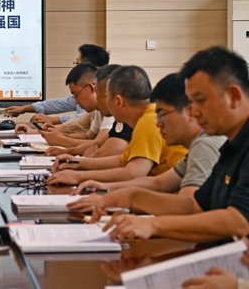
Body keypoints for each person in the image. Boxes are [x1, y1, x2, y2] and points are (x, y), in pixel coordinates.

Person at [93, 47, 249, 244]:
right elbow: (194, 205)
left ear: (233, 96)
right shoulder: (231, 145)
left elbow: (239, 221)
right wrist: (131, 197)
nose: (194, 112)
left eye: (200, 101)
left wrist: (153, 225)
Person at [68, 73, 226, 212]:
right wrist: (104, 188)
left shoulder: (205, 144)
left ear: (190, 111)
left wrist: (123, 199)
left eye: (162, 115)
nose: (158, 123)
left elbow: (188, 207)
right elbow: (159, 183)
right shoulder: (197, 144)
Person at [47, 65, 187, 186]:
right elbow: (122, 161)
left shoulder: (148, 121)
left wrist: (79, 176)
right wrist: (77, 162)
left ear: (118, 101)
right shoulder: (142, 119)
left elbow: (133, 173)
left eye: (107, 96)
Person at [4, 43, 110, 125]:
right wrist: (24, 108)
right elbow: (58, 104)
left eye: (77, 64)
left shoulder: (107, 99)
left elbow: (83, 119)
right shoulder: (83, 94)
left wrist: (54, 120)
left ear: (88, 68)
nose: (76, 101)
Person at [45, 64, 133, 157]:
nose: (97, 100)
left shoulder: (129, 120)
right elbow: (99, 144)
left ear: (118, 99)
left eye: (98, 95)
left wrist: (91, 158)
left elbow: (105, 153)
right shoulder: (121, 120)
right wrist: (66, 151)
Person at [23, 63, 114, 149]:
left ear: (92, 88)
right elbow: (87, 137)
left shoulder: (111, 112)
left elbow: (98, 144)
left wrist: (60, 140)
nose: (76, 102)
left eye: (76, 95)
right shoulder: (98, 111)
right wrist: (57, 135)